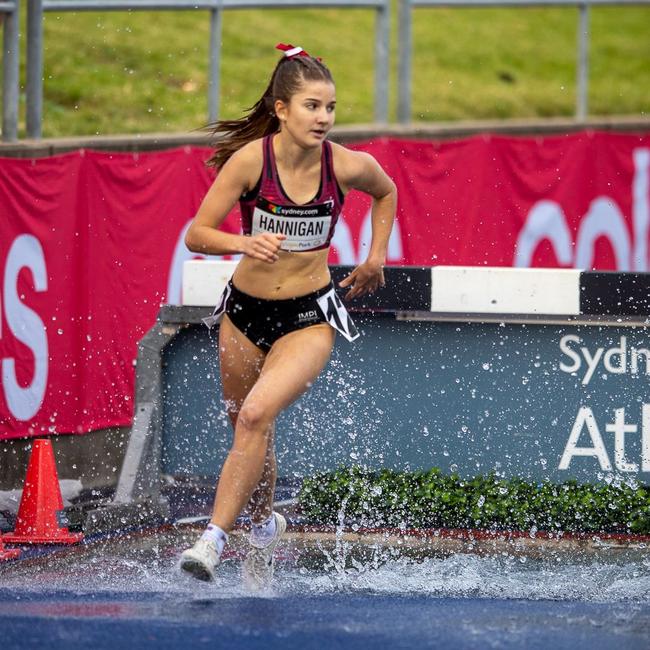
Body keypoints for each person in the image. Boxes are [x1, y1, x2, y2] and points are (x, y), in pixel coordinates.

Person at [180, 43, 396, 588]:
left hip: (309, 315)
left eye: (331, 108)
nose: (323, 118)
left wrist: (375, 256)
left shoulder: (345, 165)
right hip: (244, 314)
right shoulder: (252, 161)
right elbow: (196, 233)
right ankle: (263, 522)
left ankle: (212, 540)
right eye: (312, 107)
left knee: (254, 417)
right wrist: (242, 242)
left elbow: (386, 191)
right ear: (282, 109)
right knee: (249, 428)